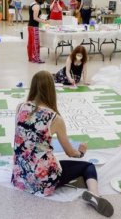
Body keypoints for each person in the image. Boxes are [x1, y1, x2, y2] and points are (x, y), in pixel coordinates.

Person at [11, 71, 114, 217]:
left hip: (20, 174)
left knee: (48, 159)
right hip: (43, 178)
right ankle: (95, 194)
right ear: (51, 90)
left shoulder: (20, 107)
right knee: (88, 166)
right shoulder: (54, 118)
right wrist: (81, 152)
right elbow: (70, 153)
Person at [27, 0, 47, 64]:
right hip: (34, 26)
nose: (44, 2)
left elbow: (34, 16)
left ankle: (30, 57)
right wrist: (44, 21)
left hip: (30, 26)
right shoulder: (37, 6)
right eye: (44, 1)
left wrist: (41, 17)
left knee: (31, 42)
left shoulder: (32, 4)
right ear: (42, 0)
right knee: (35, 43)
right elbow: (35, 18)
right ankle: (37, 58)